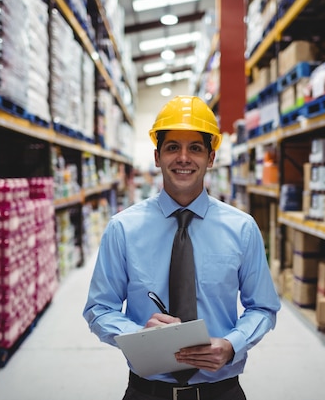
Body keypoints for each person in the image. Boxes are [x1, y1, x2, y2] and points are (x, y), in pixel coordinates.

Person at [83, 95, 281, 400]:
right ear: (157, 156)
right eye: (173, 147)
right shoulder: (123, 229)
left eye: (196, 148)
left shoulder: (242, 228)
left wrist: (232, 345)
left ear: (211, 158)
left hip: (221, 389)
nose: (184, 158)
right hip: (147, 391)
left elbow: (264, 307)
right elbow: (99, 309)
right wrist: (138, 336)